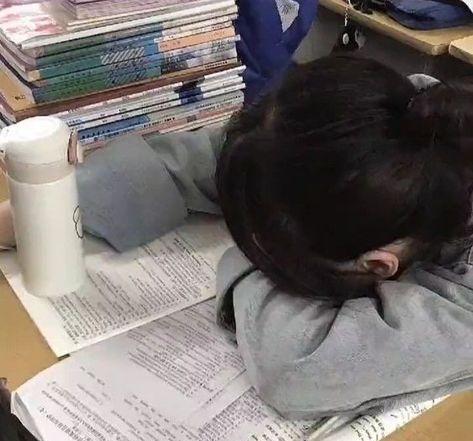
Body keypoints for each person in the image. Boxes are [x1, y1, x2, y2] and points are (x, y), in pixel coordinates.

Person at [2, 56, 473, 420]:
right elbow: (233, 159)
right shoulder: (402, 120)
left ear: (377, 264)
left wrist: (252, 251)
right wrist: (39, 213)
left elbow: (299, 366)